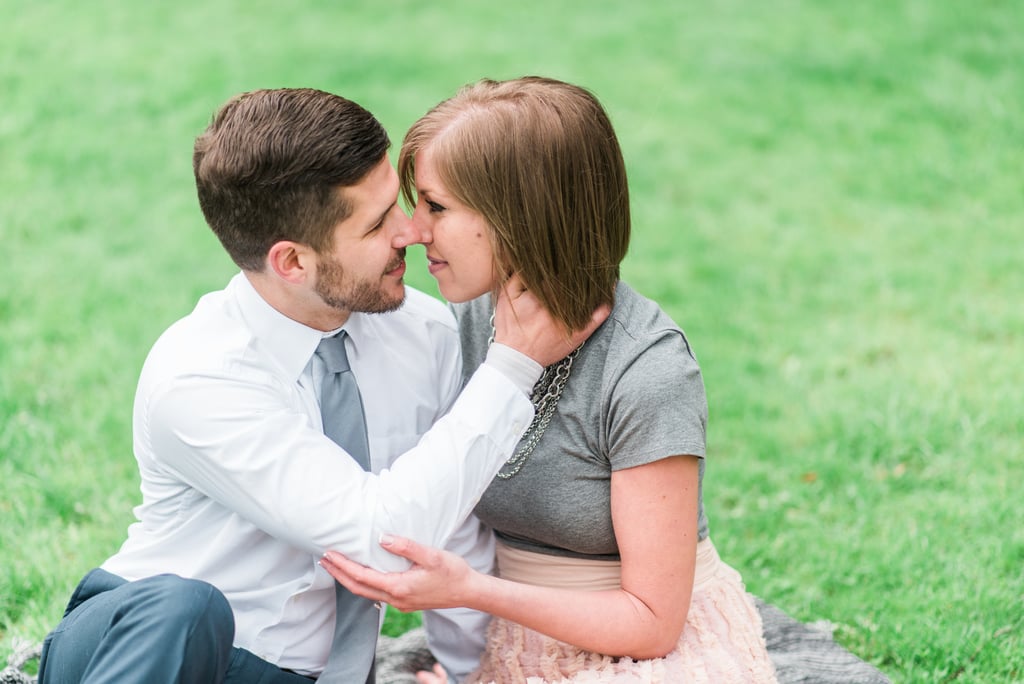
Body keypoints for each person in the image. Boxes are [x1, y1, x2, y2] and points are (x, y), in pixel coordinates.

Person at [37, 87, 604, 684]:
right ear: (292, 263)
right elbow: (380, 542)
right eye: (378, 223)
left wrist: (475, 674)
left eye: (400, 204)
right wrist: (511, 368)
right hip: (145, 652)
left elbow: (449, 527)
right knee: (188, 607)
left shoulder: (424, 335)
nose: (410, 232)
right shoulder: (200, 374)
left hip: (304, 677)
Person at [320, 77, 779, 683]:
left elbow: (652, 623)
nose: (413, 229)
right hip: (516, 639)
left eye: (436, 206)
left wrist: (473, 591)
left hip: (653, 651)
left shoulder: (647, 368)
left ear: (521, 217)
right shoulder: (459, 320)